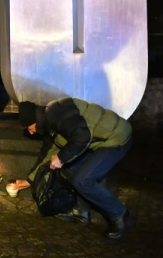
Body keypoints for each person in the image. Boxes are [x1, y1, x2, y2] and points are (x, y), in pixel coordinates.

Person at [11, 97, 133, 239]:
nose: (30, 132)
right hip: (97, 143)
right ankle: (81, 211)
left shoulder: (57, 113)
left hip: (116, 138)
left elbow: (83, 135)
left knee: (83, 180)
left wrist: (62, 157)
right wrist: (29, 181)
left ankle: (120, 215)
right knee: (67, 170)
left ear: (34, 120)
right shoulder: (49, 125)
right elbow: (46, 155)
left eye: (28, 127)